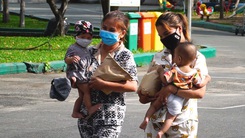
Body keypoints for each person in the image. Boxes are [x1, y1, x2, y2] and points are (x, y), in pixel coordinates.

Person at [138, 12, 210, 138]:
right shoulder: (159, 56)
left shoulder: (196, 57)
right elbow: (149, 84)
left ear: (179, 29)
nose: (164, 39)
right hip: (155, 122)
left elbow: (199, 93)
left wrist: (172, 89)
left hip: (182, 122)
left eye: (166, 33)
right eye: (160, 36)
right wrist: (144, 95)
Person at [77, 10, 138, 137]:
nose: (106, 32)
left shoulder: (124, 55)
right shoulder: (90, 51)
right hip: (86, 116)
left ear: (122, 33)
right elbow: (78, 77)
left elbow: (133, 86)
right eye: (104, 28)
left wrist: (104, 84)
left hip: (110, 117)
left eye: (112, 30)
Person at [64, 20, 101, 119]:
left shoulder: (87, 49)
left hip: (84, 74)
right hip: (77, 74)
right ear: (76, 36)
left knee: (81, 96)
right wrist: (71, 59)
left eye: (89, 38)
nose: (86, 40)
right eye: (83, 37)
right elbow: (66, 59)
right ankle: (90, 108)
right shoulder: (73, 48)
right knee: (87, 92)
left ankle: (75, 111)